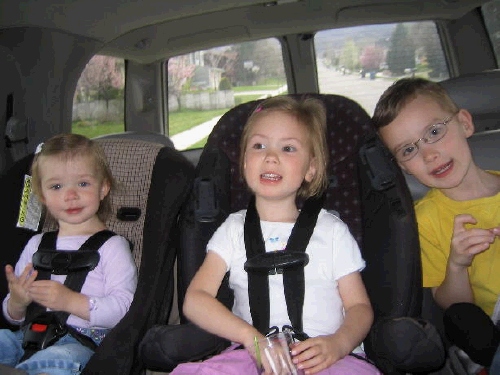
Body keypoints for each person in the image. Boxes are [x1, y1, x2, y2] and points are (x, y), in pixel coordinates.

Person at [171, 96, 380, 374]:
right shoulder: (233, 230)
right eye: (258, 146)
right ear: (245, 163)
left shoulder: (332, 231)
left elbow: (359, 307)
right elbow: (196, 299)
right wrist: (251, 339)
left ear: (311, 169)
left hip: (327, 357)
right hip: (254, 355)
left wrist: (338, 344)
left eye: (288, 148)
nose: (270, 156)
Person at [372, 77, 500, 372]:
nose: (429, 154)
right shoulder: (422, 221)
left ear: (465, 124)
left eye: (434, 132)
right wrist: (458, 264)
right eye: (408, 150)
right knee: (462, 319)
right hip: (490, 327)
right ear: (403, 167)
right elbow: (451, 306)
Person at [0, 133, 138, 375]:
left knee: (59, 359)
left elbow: (124, 309)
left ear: (103, 187)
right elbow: (13, 317)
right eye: (56, 186)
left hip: (81, 343)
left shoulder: (112, 246)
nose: (70, 195)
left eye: (83, 184)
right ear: (42, 196)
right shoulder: (36, 244)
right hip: (27, 336)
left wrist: (70, 301)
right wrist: (16, 303)